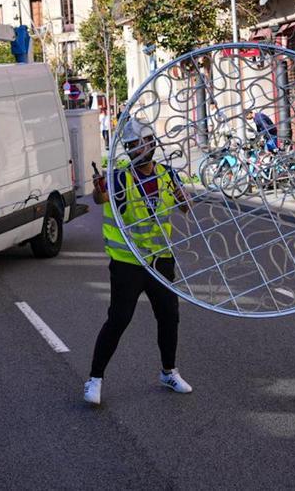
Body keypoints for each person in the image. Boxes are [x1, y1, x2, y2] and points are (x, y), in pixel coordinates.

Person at [84, 120, 193, 406]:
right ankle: (95, 379)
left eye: (140, 144)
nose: (136, 151)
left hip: (160, 260)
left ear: (152, 144)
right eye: (131, 147)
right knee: (119, 319)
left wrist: (185, 198)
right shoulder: (120, 177)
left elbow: (184, 206)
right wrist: (98, 190)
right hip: (128, 262)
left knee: (169, 316)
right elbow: (101, 198)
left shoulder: (167, 175)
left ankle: (169, 372)